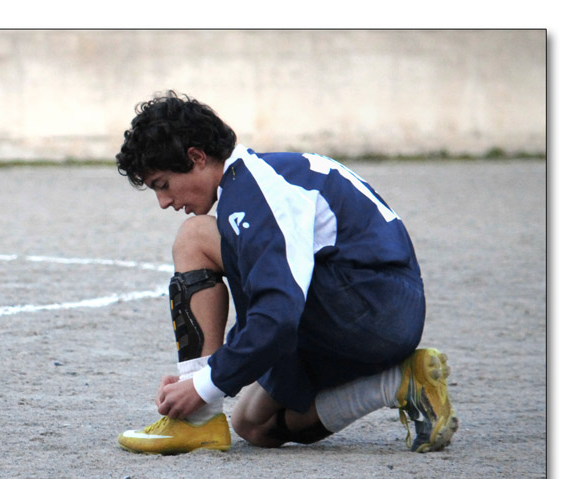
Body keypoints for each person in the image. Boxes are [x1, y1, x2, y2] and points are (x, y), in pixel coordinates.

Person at [113, 91, 458, 454]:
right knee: (253, 424)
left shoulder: (253, 193)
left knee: (194, 237)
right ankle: (398, 382)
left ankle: (196, 420)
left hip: (368, 314)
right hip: (381, 312)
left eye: (163, 184)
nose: (164, 202)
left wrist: (201, 387)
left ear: (196, 157)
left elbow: (277, 316)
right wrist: (204, 378)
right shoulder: (259, 177)